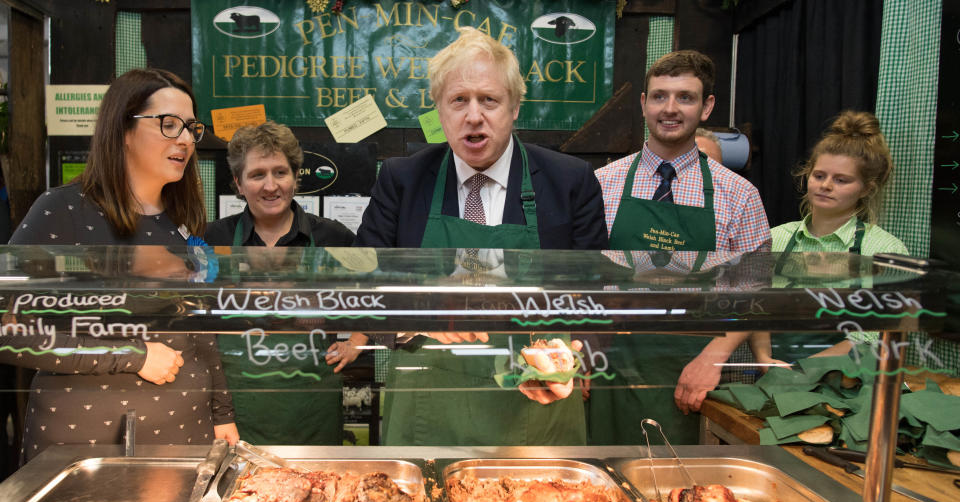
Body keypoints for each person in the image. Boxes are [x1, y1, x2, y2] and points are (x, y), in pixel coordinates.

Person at [354, 27, 608, 446]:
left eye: (489, 100)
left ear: (514, 108)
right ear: (439, 110)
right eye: (458, 100)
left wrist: (574, 359)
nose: (474, 116)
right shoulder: (403, 180)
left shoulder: (569, 181)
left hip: (536, 406)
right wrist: (417, 313)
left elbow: (600, 292)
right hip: (427, 411)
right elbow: (363, 286)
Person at [8, 67, 238, 462]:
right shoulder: (63, 210)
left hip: (188, 434)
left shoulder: (182, 221)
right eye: (169, 124)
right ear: (122, 128)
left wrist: (222, 413)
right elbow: (7, 329)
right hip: (89, 440)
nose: (185, 139)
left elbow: (200, 326)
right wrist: (132, 354)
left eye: (190, 128)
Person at [589, 50, 770, 445]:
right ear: (643, 103)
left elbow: (755, 291)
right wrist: (583, 346)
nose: (669, 109)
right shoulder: (602, 184)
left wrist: (713, 357)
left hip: (698, 369)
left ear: (706, 107)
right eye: (659, 96)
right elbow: (581, 276)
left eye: (685, 97)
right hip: (612, 364)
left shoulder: (739, 195)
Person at [205, 121, 363, 445]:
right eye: (257, 174)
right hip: (241, 408)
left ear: (295, 177)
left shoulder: (334, 237)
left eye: (280, 172)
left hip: (312, 409)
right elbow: (194, 321)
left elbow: (380, 294)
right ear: (238, 183)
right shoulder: (213, 239)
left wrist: (358, 341)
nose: (270, 185)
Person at [753, 110, 907, 364]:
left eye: (841, 180)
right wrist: (765, 360)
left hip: (849, 383)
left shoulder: (885, 250)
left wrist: (804, 369)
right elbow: (754, 311)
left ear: (866, 188)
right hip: (774, 373)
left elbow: (874, 337)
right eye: (819, 175)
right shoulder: (775, 239)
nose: (826, 186)